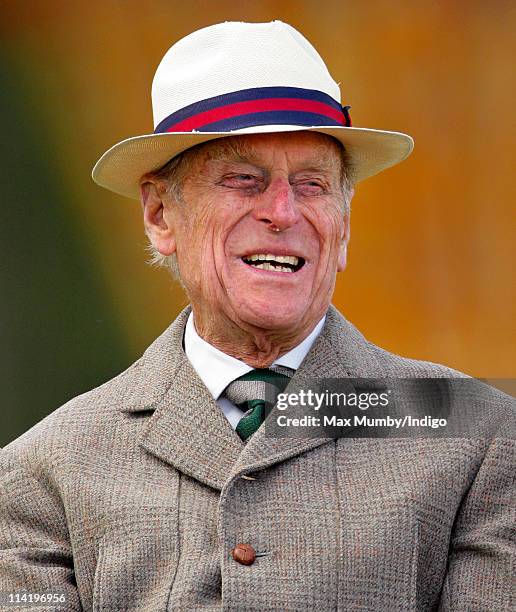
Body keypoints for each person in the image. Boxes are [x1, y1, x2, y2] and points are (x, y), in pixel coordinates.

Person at [0, 21, 514, 612]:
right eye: (243, 179)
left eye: (313, 184)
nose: (282, 211)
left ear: (343, 226)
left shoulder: (482, 437)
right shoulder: (41, 472)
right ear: (161, 214)